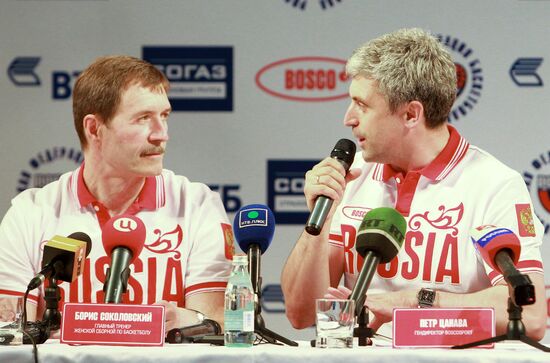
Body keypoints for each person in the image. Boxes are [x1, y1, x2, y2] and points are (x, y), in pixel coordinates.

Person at [281, 28, 546, 340]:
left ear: (410, 114)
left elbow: (530, 315)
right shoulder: (350, 177)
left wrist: (414, 302)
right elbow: (300, 314)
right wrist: (320, 224)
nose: (348, 118)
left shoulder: (494, 184)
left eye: (362, 105)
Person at [0, 56, 233, 333]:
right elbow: (10, 328)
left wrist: (189, 320)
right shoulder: (31, 213)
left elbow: (218, 323)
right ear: (94, 128)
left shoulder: (196, 205)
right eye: (143, 119)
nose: (161, 134)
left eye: (164, 116)